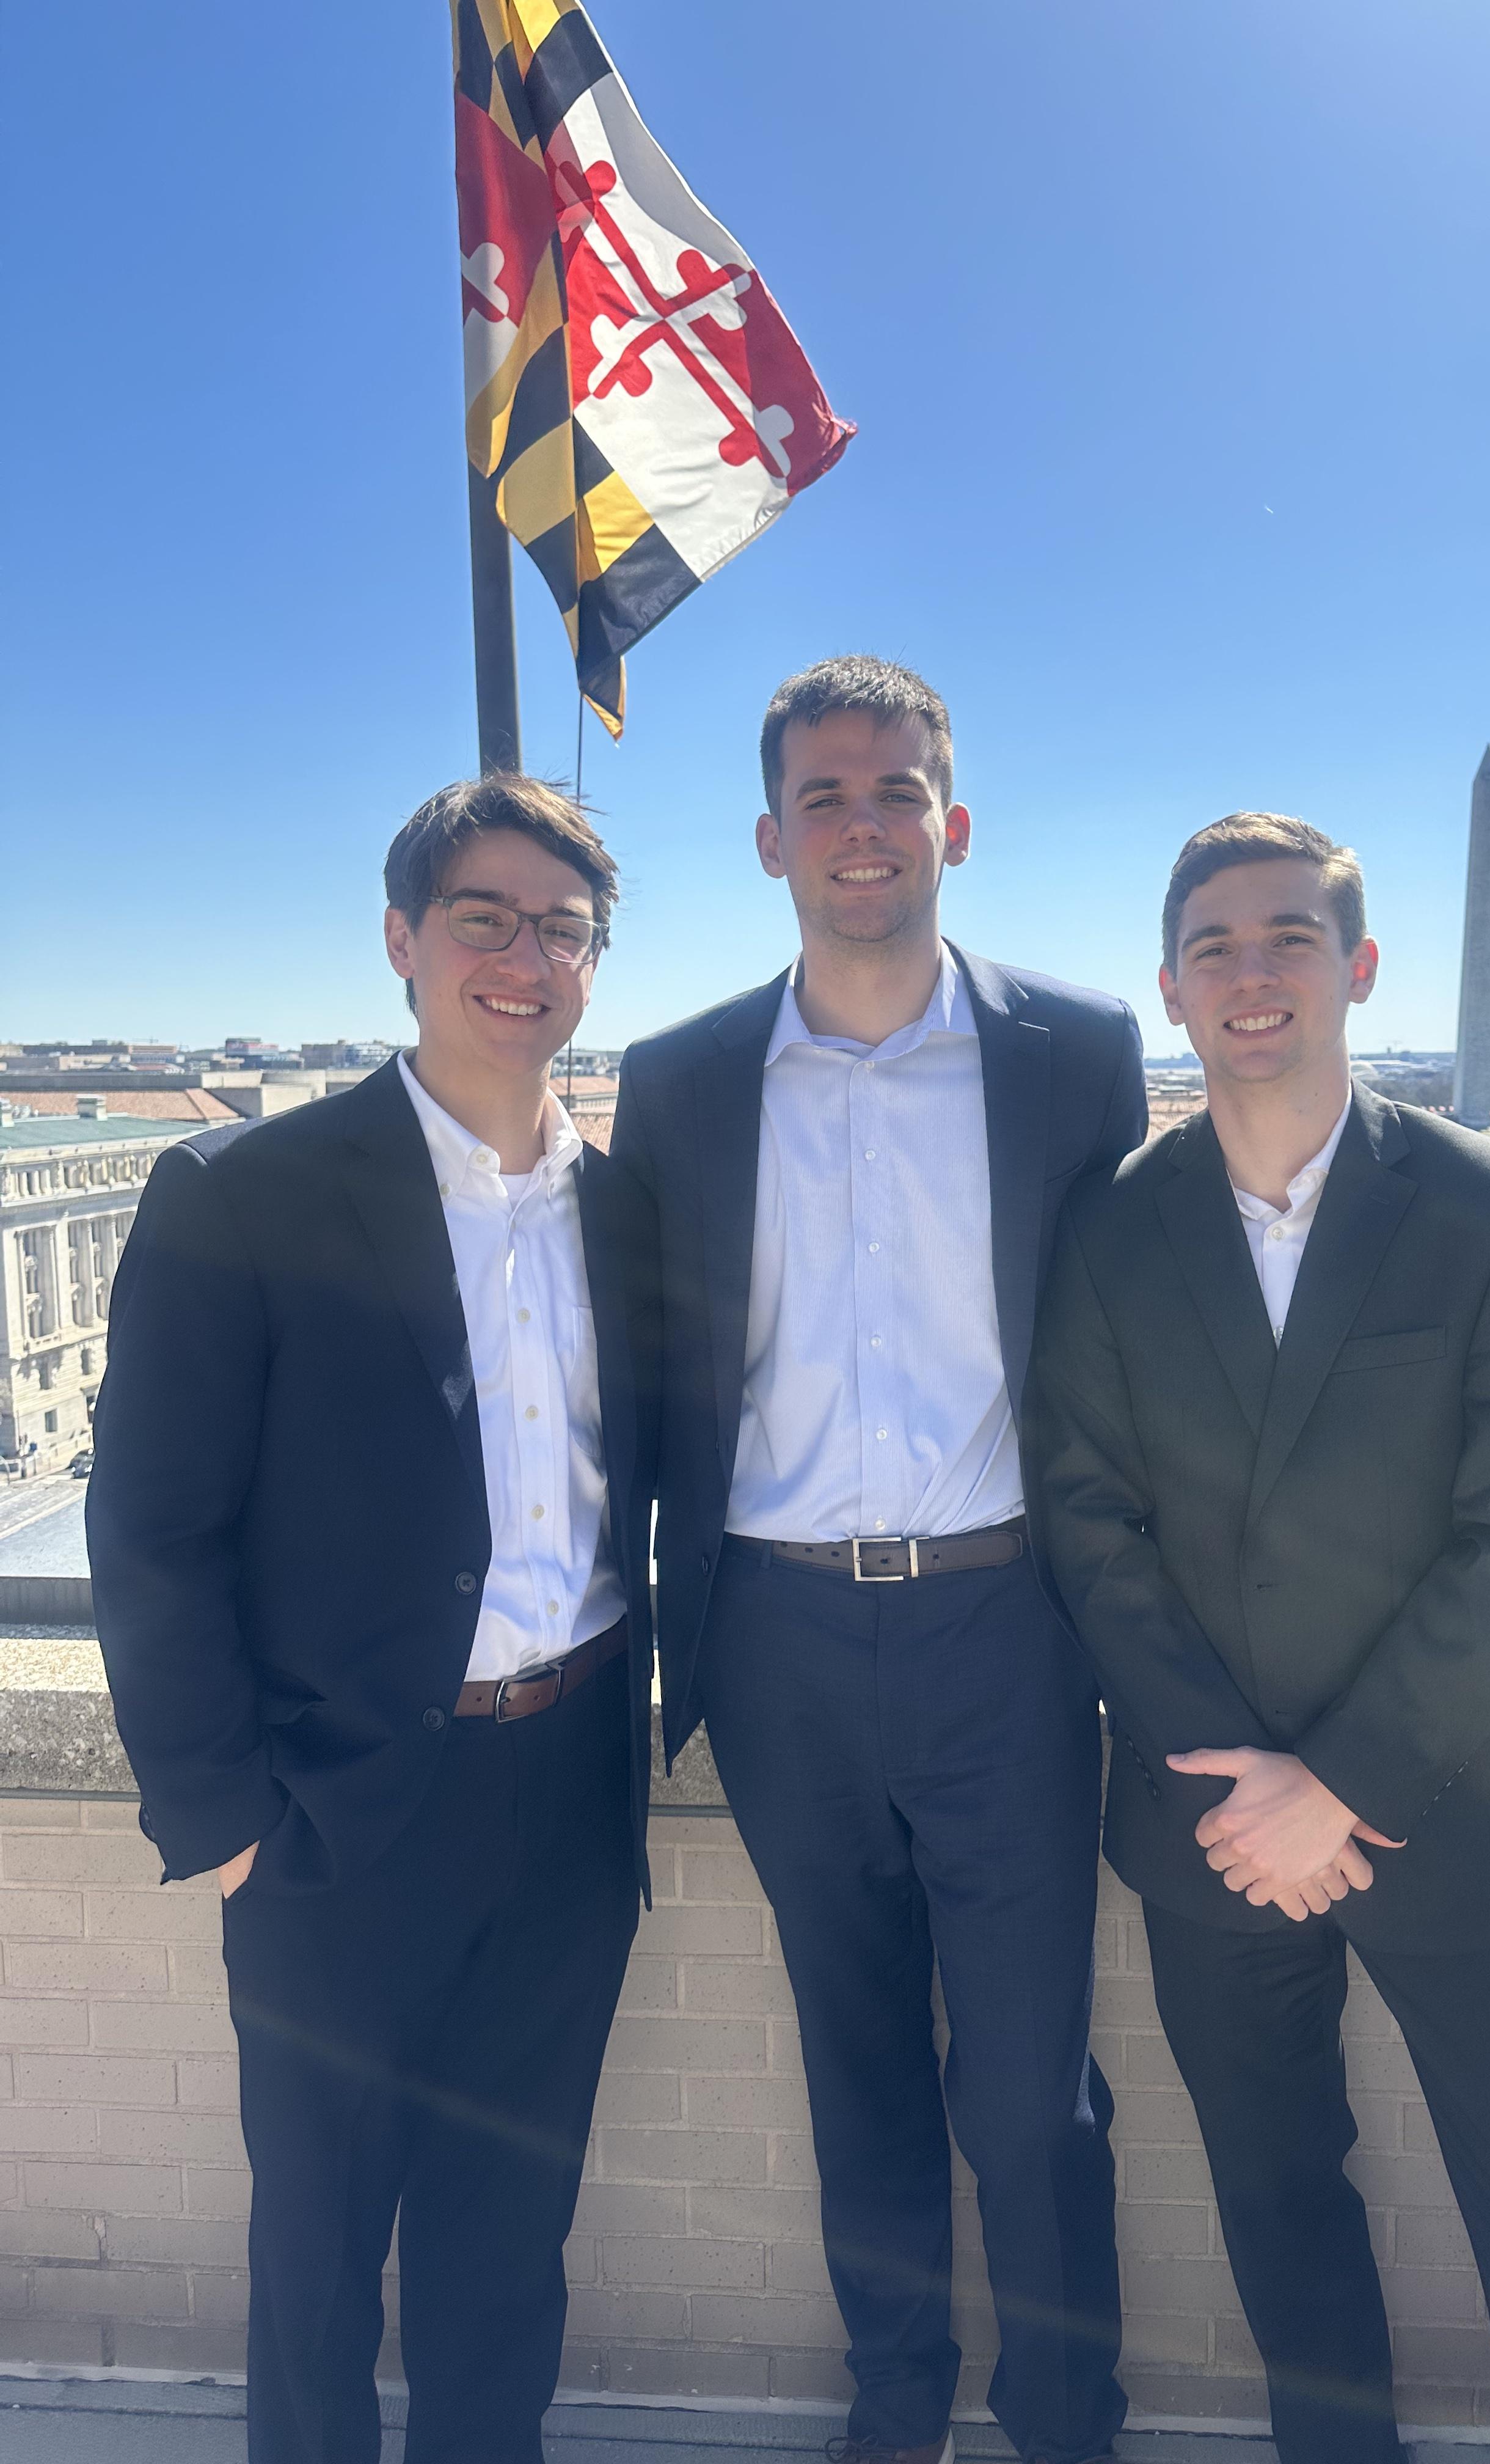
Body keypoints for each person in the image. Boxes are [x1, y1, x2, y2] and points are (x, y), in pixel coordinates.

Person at [1026, 813, 1490, 2464]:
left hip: (1456, 1812)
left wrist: (1348, 1782)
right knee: (1285, 2229)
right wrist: (1254, 1799)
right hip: (1212, 1839)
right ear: (1171, 987)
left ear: (1358, 968)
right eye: (1217, 947)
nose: (1252, 976)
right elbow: (1090, 1528)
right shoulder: (1106, 1230)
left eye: (1289, 939)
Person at [610, 657, 1141, 2464]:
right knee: (856, 2067)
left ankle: (1069, 2419)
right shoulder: (677, 1081)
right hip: (777, 1647)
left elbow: (1137, 1355)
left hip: (1008, 1633)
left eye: (895, 788)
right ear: (768, 840)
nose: (862, 824)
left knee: (1027, 2097)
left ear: (955, 823)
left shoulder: (1074, 1056)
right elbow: (638, 1365)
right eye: (825, 797)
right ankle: (894, 2408)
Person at [88, 777, 654, 2464]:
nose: (523, 957)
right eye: (483, 918)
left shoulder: (623, 1215)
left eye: (563, 929)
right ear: (404, 941)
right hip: (335, 1814)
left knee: (508, 2243)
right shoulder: (242, 1192)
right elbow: (153, 1530)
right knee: (319, 2254)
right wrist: (228, 1824)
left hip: (563, 1805)